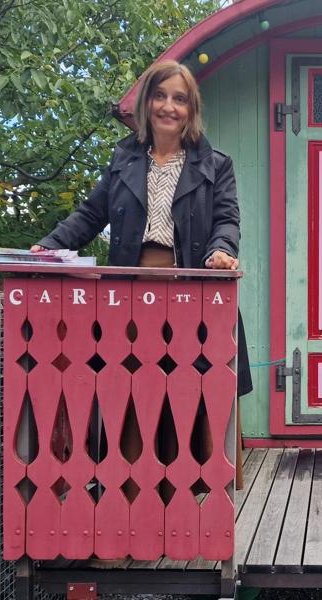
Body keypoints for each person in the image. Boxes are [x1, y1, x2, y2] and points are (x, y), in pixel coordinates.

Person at [32, 60, 251, 488]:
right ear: (147, 101)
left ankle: (193, 492)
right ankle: (130, 490)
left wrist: (221, 251)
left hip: (191, 288)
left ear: (191, 108)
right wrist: (49, 246)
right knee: (131, 386)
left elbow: (227, 220)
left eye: (180, 99)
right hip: (130, 294)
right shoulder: (123, 158)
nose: (169, 106)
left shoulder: (214, 163)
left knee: (192, 383)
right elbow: (91, 214)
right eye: (160, 95)